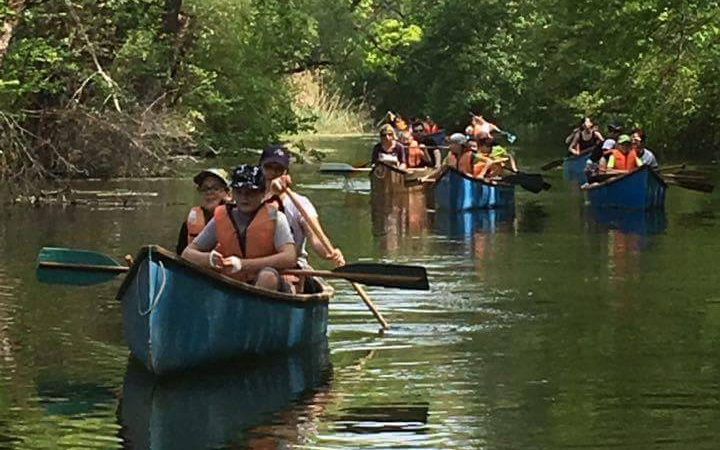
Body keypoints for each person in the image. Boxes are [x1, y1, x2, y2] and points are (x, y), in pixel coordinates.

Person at [181, 164, 297, 292]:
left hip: (265, 282)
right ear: (232, 193)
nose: (244, 197)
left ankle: (256, 310)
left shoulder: (276, 217)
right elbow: (187, 254)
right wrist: (209, 259)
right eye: (239, 192)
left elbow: (289, 257)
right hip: (232, 283)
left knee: (267, 276)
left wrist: (243, 265)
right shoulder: (221, 217)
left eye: (251, 192)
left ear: (263, 193)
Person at [257, 145, 345, 273]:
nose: (273, 173)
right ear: (260, 168)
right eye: (268, 167)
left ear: (286, 173)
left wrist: (330, 253)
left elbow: (315, 237)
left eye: (279, 169)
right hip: (257, 262)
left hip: (293, 267)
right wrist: (271, 193)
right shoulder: (250, 200)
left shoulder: (301, 203)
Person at [176, 168, 231, 255]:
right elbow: (180, 255)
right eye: (205, 189)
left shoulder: (237, 216)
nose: (209, 192)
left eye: (215, 188)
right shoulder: (190, 222)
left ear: (227, 192)